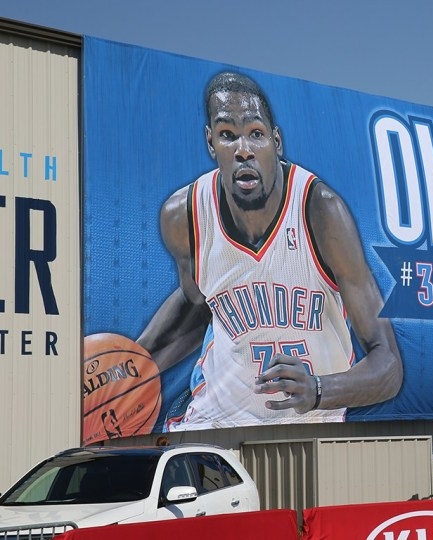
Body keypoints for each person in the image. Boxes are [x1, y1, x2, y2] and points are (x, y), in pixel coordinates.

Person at [136, 71, 403, 430]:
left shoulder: (319, 210)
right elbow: (197, 303)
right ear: (211, 143)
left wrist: (319, 389)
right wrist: (130, 365)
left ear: (276, 141)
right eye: (227, 135)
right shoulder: (184, 215)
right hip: (215, 423)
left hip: (311, 423)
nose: (243, 150)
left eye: (256, 134)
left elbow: (388, 364)